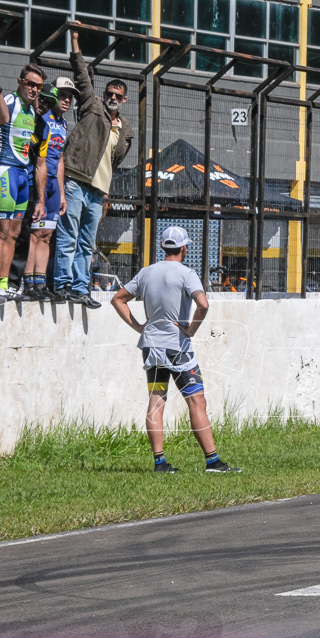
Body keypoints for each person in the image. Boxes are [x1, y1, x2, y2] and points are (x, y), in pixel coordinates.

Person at [111, 226, 239, 474]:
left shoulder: (146, 273)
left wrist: (139, 326)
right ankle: (212, 461)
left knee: (157, 400)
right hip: (177, 347)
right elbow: (203, 303)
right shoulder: (186, 273)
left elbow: (118, 298)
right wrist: (191, 329)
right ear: (184, 248)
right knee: (196, 400)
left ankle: (160, 462)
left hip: (151, 347)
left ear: (162, 247)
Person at [55, 25, 135, 309]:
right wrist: (75, 42)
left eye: (118, 95)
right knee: (68, 234)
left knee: (87, 242)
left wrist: (105, 196)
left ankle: (79, 287)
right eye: (110, 92)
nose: (113, 97)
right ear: (105, 93)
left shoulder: (125, 129)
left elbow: (114, 162)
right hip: (77, 179)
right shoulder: (92, 103)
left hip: (98, 189)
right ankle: (62, 284)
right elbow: (80, 72)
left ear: (125, 100)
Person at [22, 80, 75, 301]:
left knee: (47, 234)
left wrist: (62, 194)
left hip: (54, 185)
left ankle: (41, 283)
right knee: (35, 234)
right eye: (62, 95)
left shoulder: (63, 125)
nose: (66, 100)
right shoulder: (42, 120)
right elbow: (38, 160)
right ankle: (28, 284)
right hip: (39, 182)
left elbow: (60, 159)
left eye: (70, 97)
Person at [0, 64, 48, 302]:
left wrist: (40, 199)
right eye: (30, 83)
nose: (34, 89)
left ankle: (4, 283)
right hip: (5, 170)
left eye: (38, 86)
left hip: (22, 177)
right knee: (3, 231)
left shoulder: (32, 114)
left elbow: (40, 161)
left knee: (15, 233)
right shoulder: (9, 99)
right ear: (20, 81)